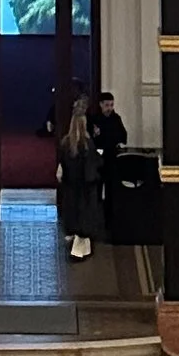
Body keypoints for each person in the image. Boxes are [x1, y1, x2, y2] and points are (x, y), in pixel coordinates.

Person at [57, 90, 102, 261]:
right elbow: (93, 165)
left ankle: (78, 243)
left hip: (71, 186)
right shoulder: (87, 144)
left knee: (75, 216)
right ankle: (80, 250)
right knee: (85, 218)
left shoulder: (66, 143)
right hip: (85, 188)